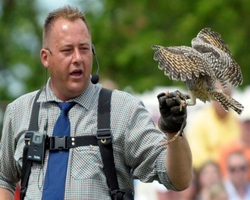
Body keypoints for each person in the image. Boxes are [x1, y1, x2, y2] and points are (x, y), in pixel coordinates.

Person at [0, 5, 192, 199]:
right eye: (67, 50)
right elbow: (4, 179)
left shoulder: (123, 109)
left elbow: (179, 179)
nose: (78, 58)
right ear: (45, 58)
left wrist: (174, 130)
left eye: (84, 49)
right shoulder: (19, 111)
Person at [186, 82, 241, 170]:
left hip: (235, 172)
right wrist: (223, 163)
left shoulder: (239, 122)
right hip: (209, 174)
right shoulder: (199, 121)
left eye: (226, 95)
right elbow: (197, 156)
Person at [218, 95, 250, 181]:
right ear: (239, 123)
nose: (248, 126)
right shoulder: (227, 149)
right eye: (247, 122)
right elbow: (225, 178)